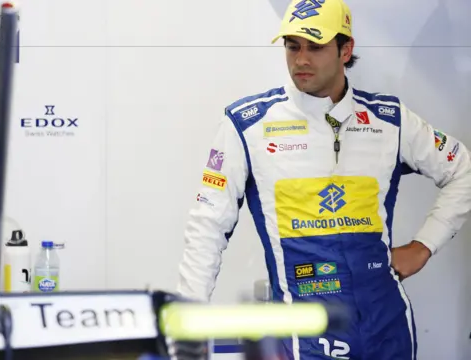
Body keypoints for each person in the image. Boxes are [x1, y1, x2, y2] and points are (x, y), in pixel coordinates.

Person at [176, 0, 471, 359]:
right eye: (292, 46)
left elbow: (462, 170)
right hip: (305, 333)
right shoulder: (247, 124)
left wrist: (424, 245)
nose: (301, 59)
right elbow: (207, 228)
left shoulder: (389, 120)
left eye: (315, 47)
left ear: (346, 50)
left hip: (387, 326)